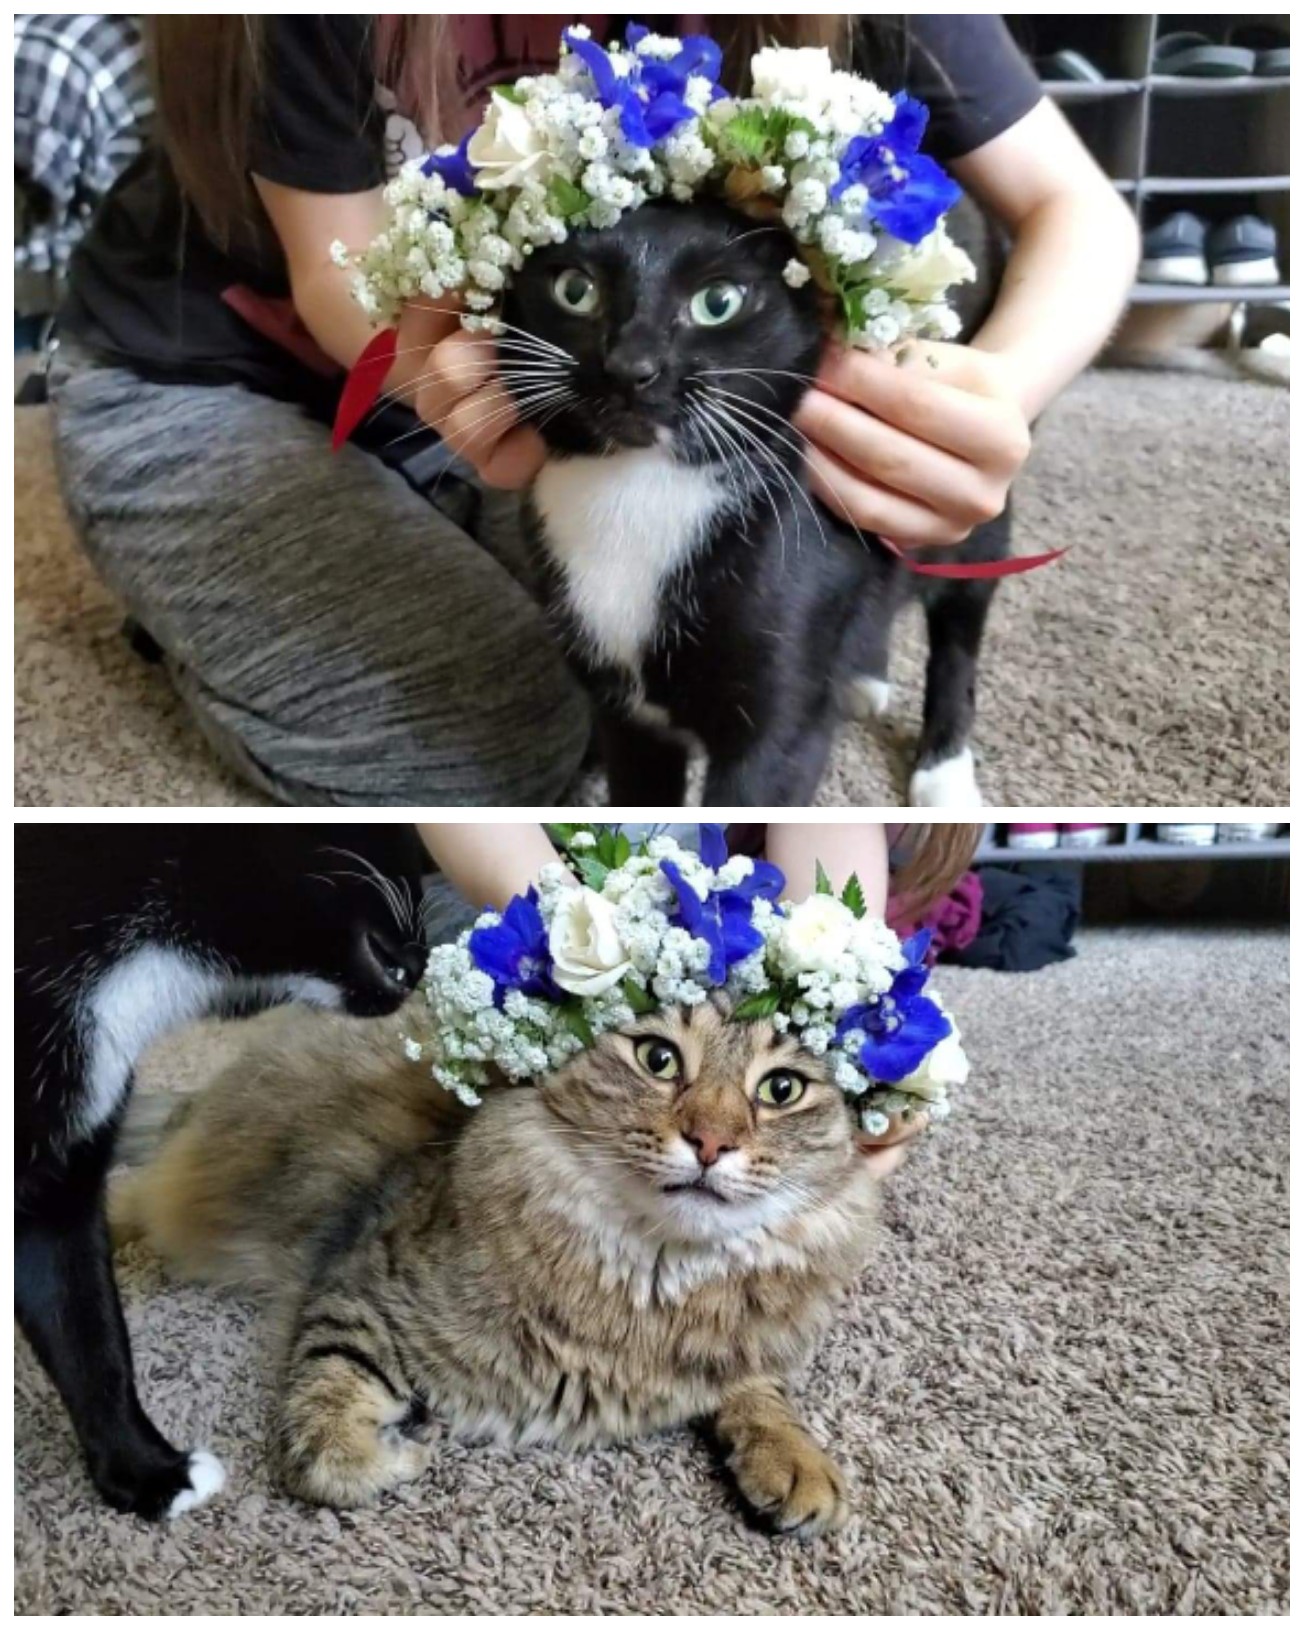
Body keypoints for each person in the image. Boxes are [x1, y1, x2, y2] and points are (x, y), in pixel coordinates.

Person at [49, 17, 1139, 807]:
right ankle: (190, 608)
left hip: (555, 378)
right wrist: (445, 375)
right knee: (501, 752)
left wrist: (993, 388)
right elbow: (343, 278)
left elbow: (1074, 211)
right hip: (211, 368)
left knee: (663, 650)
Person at [418, 819, 979, 1173]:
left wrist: (837, 979)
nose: (711, 1139)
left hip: (715, 888)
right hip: (508, 883)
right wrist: (573, 932)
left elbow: (830, 830)